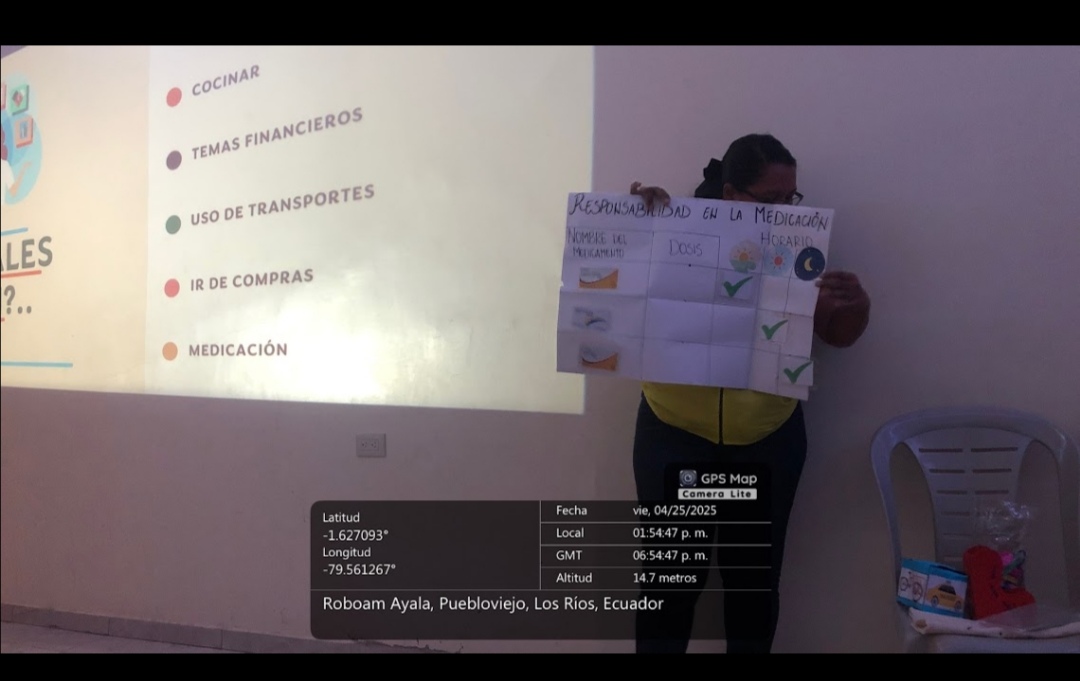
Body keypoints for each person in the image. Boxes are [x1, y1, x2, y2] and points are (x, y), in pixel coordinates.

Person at [629, 133, 871, 654]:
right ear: (731, 193)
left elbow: (838, 335)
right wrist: (630, 225)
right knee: (668, 588)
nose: (785, 210)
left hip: (767, 442)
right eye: (771, 199)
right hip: (675, 438)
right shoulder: (675, 230)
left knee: (753, 589)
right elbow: (621, 297)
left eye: (791, 198)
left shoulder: (799, 247)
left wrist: (856, 305)